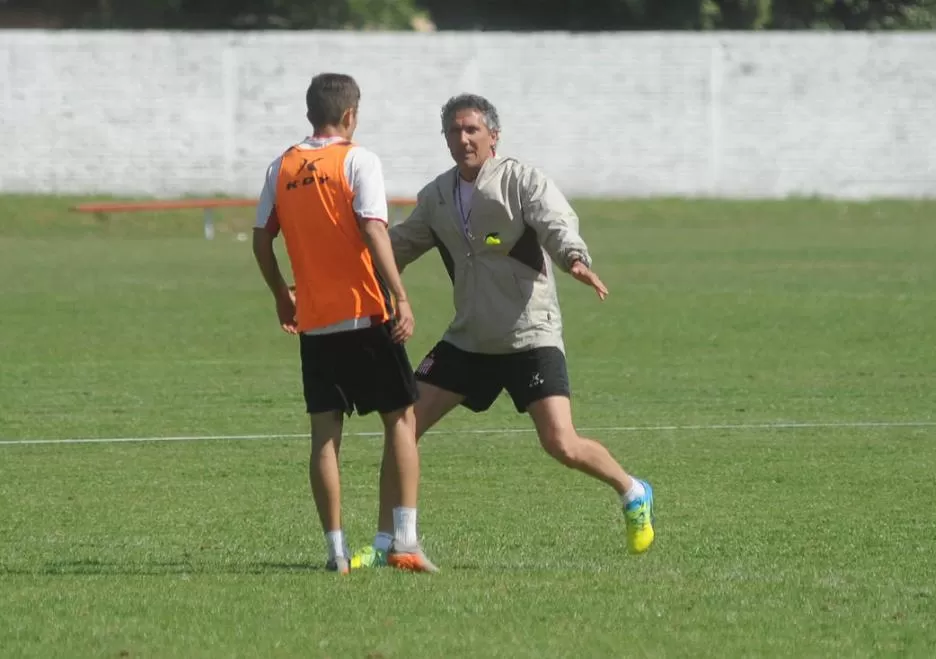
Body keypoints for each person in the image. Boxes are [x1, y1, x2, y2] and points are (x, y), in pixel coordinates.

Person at [349, 93, 654, 569]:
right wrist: (343, 274)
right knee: (402, 426)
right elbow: (399, 246)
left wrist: (574, 258)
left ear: (494, 135)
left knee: (560, 443)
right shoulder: (436, 196)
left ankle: (632, 491)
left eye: (472, 129)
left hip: (529, 333)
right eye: (454, 130)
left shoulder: (521, 181)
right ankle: (390, 541)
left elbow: (557, 223)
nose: (463, 138)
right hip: (468, 338)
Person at [252, 73, 437, 574]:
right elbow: (375, 230)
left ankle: (336, 551)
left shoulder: (281, 165)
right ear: (351, 115)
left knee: (325, 437)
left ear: (310, 113)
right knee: (400, 418)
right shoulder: (359, 160)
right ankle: (405, 540)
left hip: (315, 323)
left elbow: (261, 239)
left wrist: (281, 296)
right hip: (365, 313)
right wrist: (400, 295)